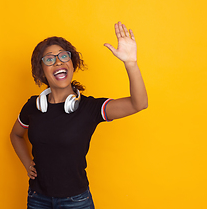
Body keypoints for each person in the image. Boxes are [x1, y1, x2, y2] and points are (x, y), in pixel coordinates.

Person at [10, 22, 148, 209]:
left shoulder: (89, 108)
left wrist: (130, 63)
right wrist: (27, 164)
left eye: (63, 56)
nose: (58, 61)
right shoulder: (33, 106)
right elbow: (16, 135)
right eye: (49, 59)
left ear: (72, 64)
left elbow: (138, 104)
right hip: (37, 198)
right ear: (41, 70)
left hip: (76, 201)